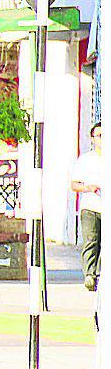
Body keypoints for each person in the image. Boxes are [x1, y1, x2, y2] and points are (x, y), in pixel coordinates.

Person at [71, 123, 102, 291]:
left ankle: (101, 273)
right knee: (91, 240)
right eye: (99, 136)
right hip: (90, 207)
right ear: (93, 139)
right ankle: (90, 274)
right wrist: (88, 188)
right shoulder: (86, 160)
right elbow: (74, 184)